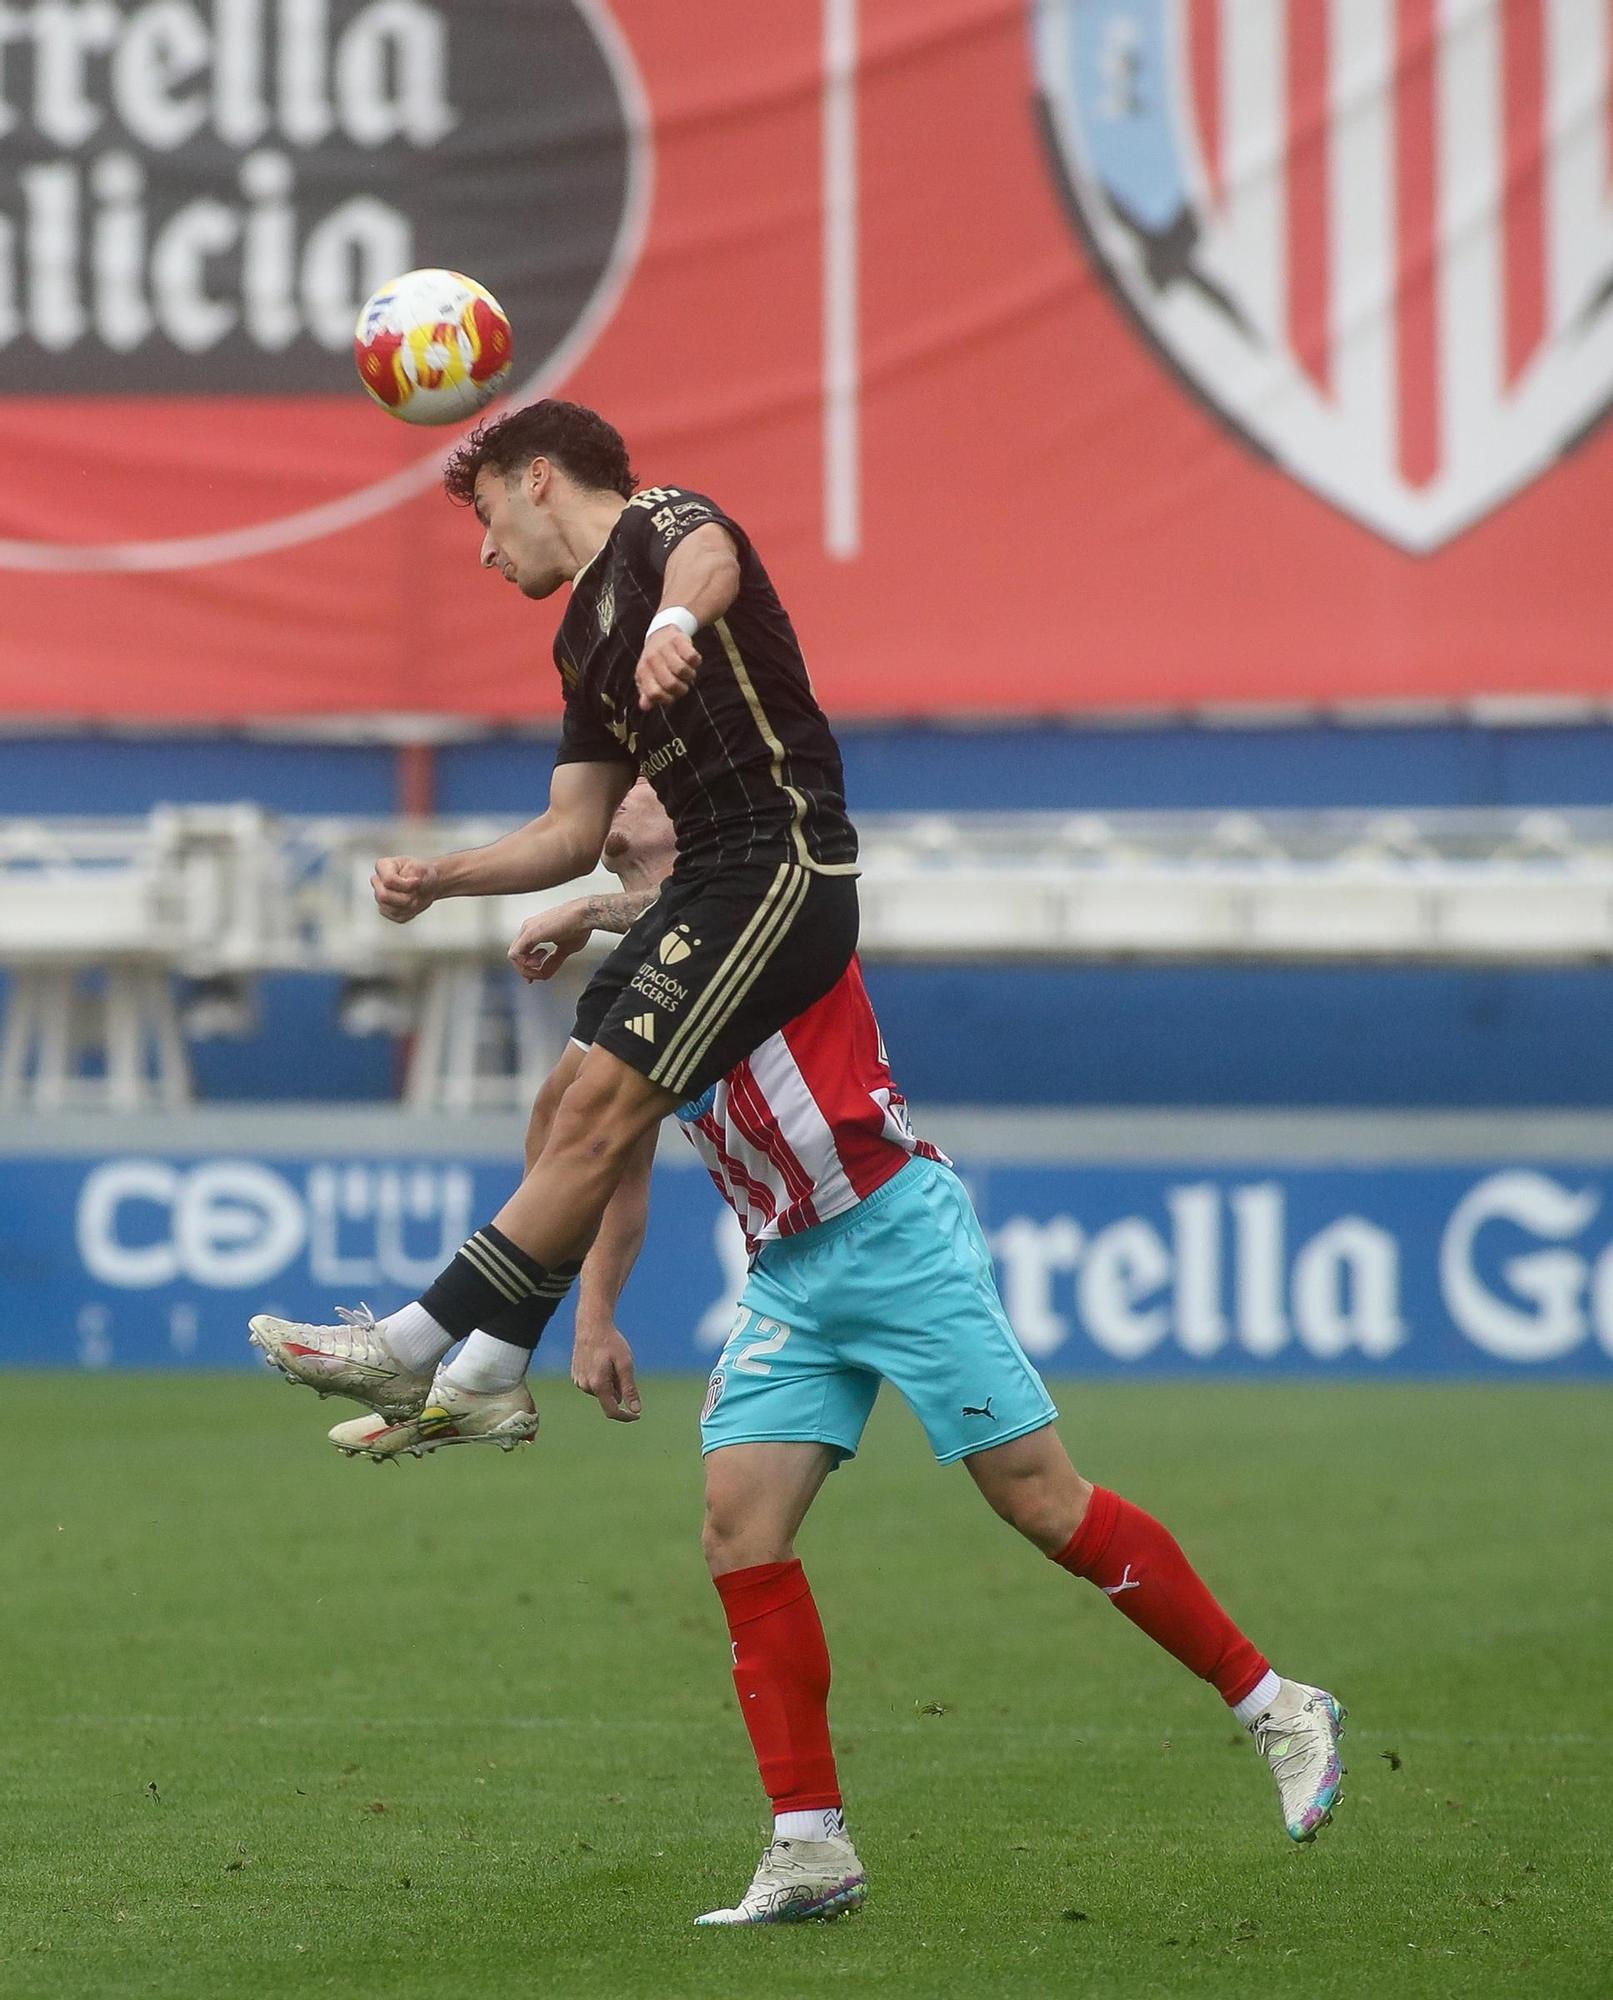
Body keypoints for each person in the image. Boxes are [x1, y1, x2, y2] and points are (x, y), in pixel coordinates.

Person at [261, 780, 1349, 1928]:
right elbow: (594, 1150)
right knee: (739, 1525)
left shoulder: (781, 896)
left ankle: (1274, 1702)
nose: (611, 799)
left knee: (1039, 1503)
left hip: (890, 1229)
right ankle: (808, 1844)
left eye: (636, 786)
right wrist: (593, 1316)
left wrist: (584, 906)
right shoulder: (646, 973)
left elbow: (704, 911)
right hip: (786, 1268)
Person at [251, 398, 860, 1449]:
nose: (485, 549)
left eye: (487, 513)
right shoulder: (580, 641)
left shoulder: (659, 524)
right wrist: (441, 877)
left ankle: (406, 1344)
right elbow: (573, 829)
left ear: (539, 476)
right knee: (574, 1105)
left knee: (595, 1119)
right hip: (704, 884)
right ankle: (487, 1367)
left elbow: (709, 558)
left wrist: (674, 624)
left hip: (779, 862)